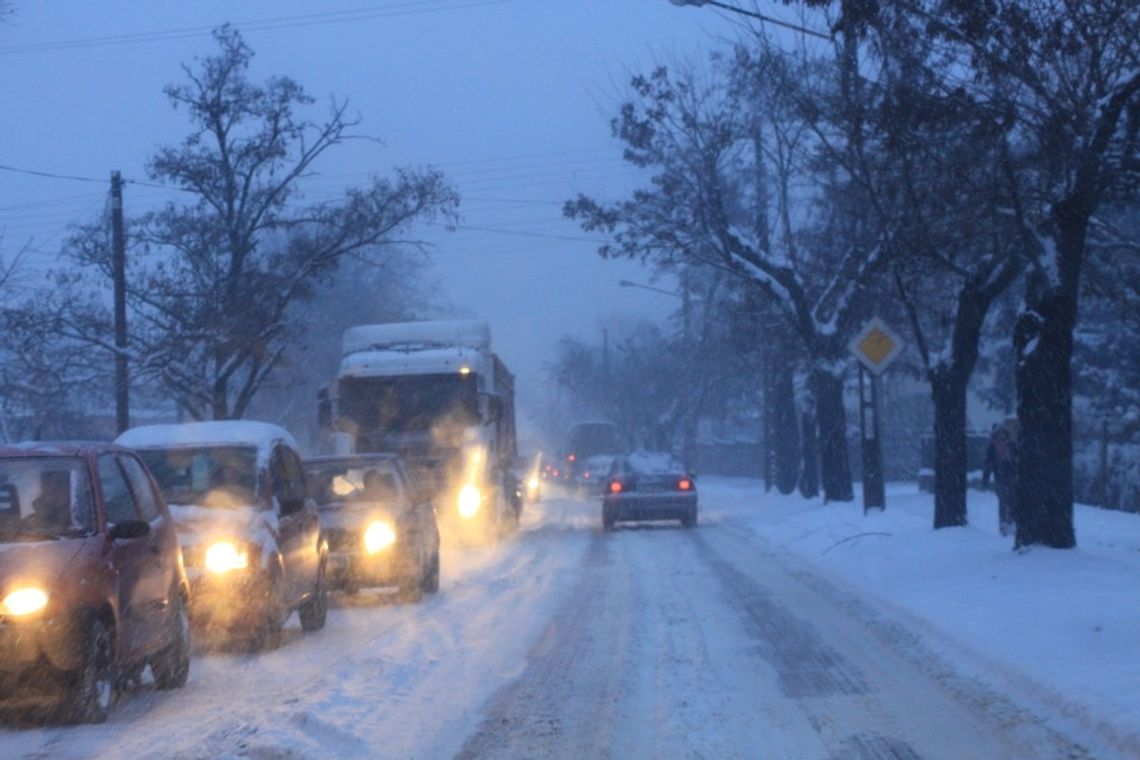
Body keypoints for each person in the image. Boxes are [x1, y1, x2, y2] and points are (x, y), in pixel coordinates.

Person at [983, 417, 1020, 536]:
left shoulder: (1013, 445)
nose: (1001, 436)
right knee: (1003, 501)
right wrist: (985, 479)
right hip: (999, 477)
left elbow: (1018, 461)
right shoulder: (992, 448)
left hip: (1012, 477)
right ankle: (1003, 523)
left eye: (1002, 433)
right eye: (999, 433)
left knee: (1012, 500)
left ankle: (1012, 522)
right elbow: (988, 465)